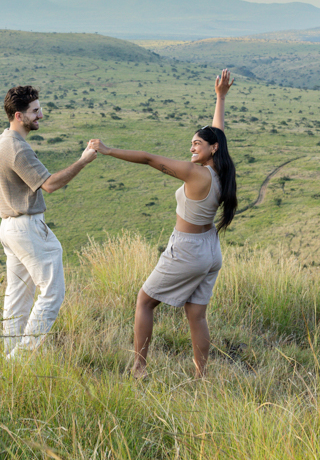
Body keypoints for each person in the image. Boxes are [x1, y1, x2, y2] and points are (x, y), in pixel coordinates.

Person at [88, 70, 237, 378]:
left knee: (144, 301)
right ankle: (201, 376)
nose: (192, 149)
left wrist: (107, 150)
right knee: (196, 314)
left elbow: (148, 159)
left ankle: (139, 368)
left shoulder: (197, 174)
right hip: (210, 251)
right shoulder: (222, 172)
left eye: (197, 144)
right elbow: (217, 133)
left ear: (211, 149)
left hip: (188, 249)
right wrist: (220, 98)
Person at [0, 85, 97, 359]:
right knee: (52, 293)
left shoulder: (2, 141)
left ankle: (9, 358)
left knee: (18, 297)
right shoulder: (17, 149)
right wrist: (83, 161)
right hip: (26, 227)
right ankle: (20, 360)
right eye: (35, 111)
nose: (41, 115)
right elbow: (50, 185)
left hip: (10, 227)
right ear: (18, 115)